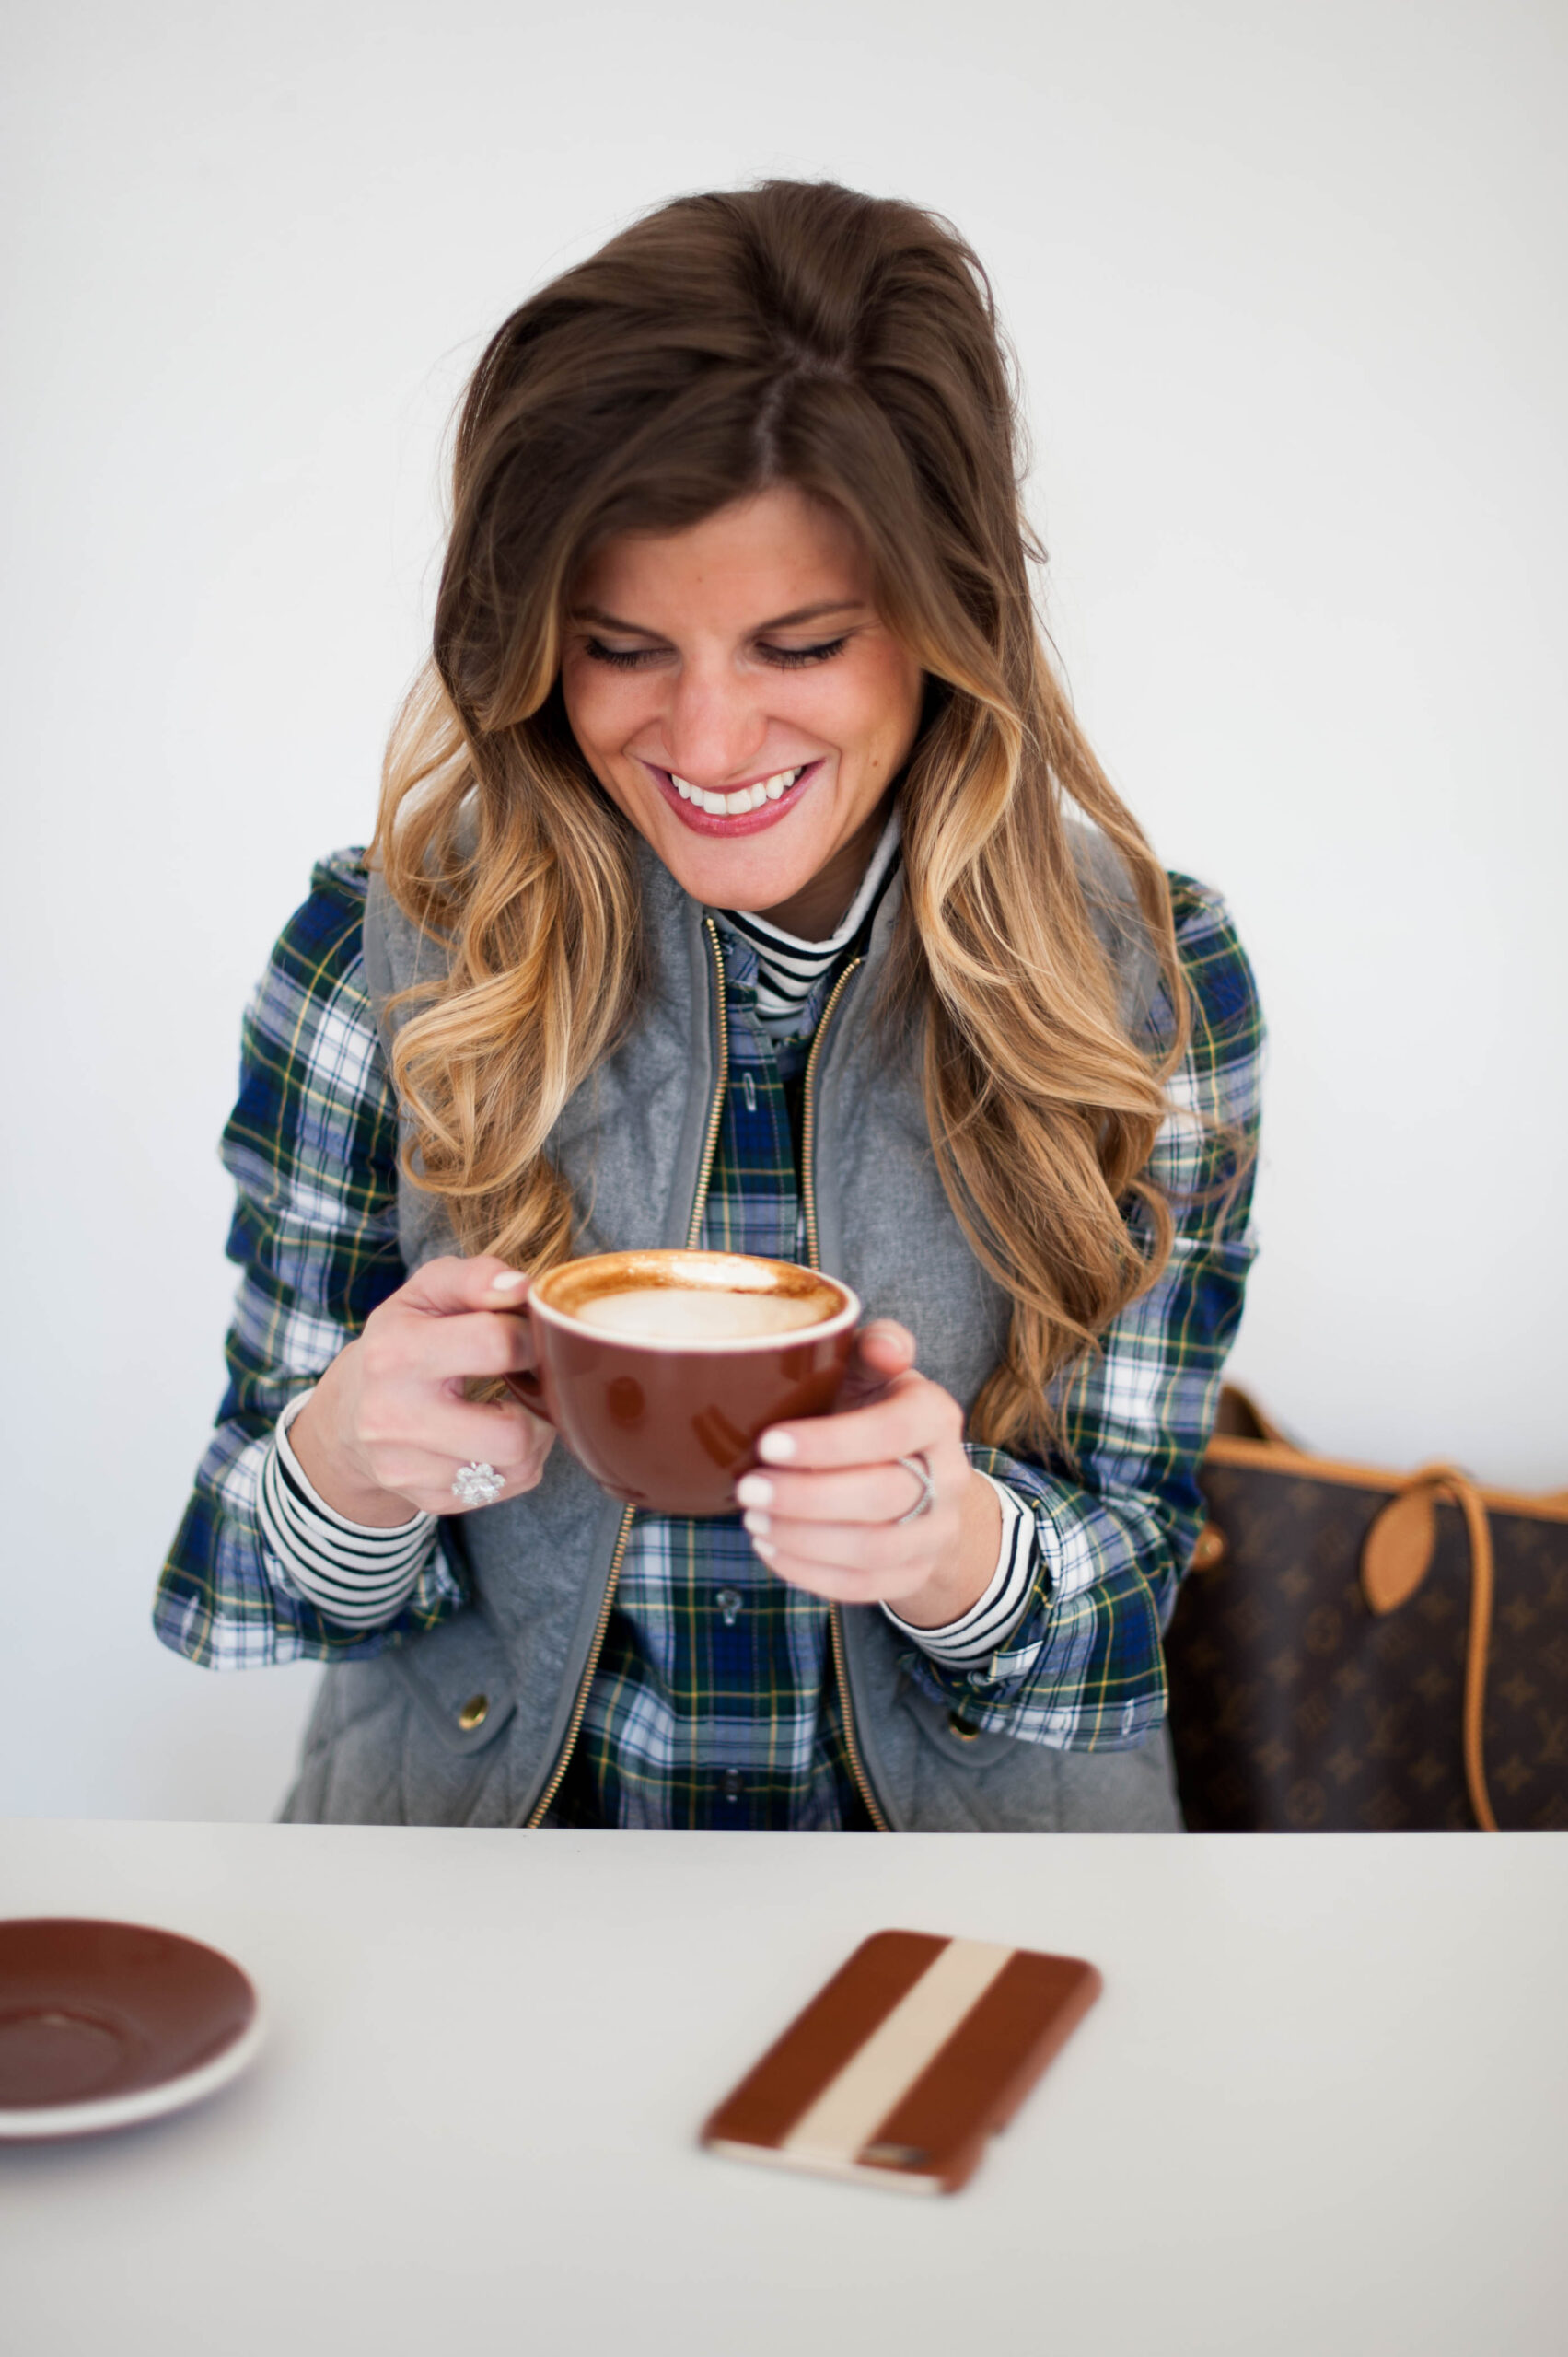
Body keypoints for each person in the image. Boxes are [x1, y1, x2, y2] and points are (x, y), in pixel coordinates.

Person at [157, 180, 1263, 1832]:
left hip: (958, 1937)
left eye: (799, 643)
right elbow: (251, 1588)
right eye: (621, 648)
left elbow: (1126, 1630)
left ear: (948, 621)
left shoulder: (1141, 985)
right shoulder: (381, 950)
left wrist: (951, 1554)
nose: (714, 740)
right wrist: (341, 1463)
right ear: (530, 639)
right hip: (481, 1909)